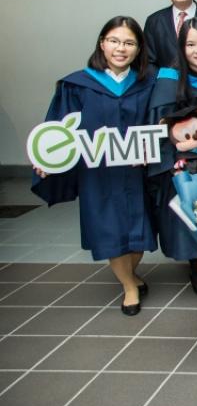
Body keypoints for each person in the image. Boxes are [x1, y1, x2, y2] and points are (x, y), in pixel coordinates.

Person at [32, 16, 156, 316]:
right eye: (114, 41)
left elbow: (160, 122)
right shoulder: (78, 84)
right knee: (110, 231)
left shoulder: (149, 82)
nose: (121, 48)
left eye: (129, 43)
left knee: (139, 232)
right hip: (98, 174)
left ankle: (131, 273)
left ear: (139, 49)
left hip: (138, 173)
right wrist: (47, 158)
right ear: (102, 43)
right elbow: (59, 127)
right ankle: (128, 286)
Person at [147, 17, 197, 296]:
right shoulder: (169, 80)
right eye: (191, 45)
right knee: (191, 215)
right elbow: (159, 124)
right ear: (181, 48)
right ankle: (196, 267)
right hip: (185, 163)